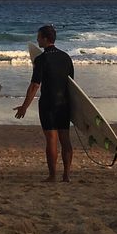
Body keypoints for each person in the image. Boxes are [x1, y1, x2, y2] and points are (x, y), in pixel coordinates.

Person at [14, 24, 75, 183]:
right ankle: (66, 175)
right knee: (65, 138)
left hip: (48, 104)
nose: (37, 39)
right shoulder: (66, 57)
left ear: (46, 39)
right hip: (64, 103)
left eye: (39, 36)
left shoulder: (41, 59)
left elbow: (35, 85)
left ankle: (53, 175)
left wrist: (24, 106)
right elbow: (71, 85)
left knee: (52, 139)